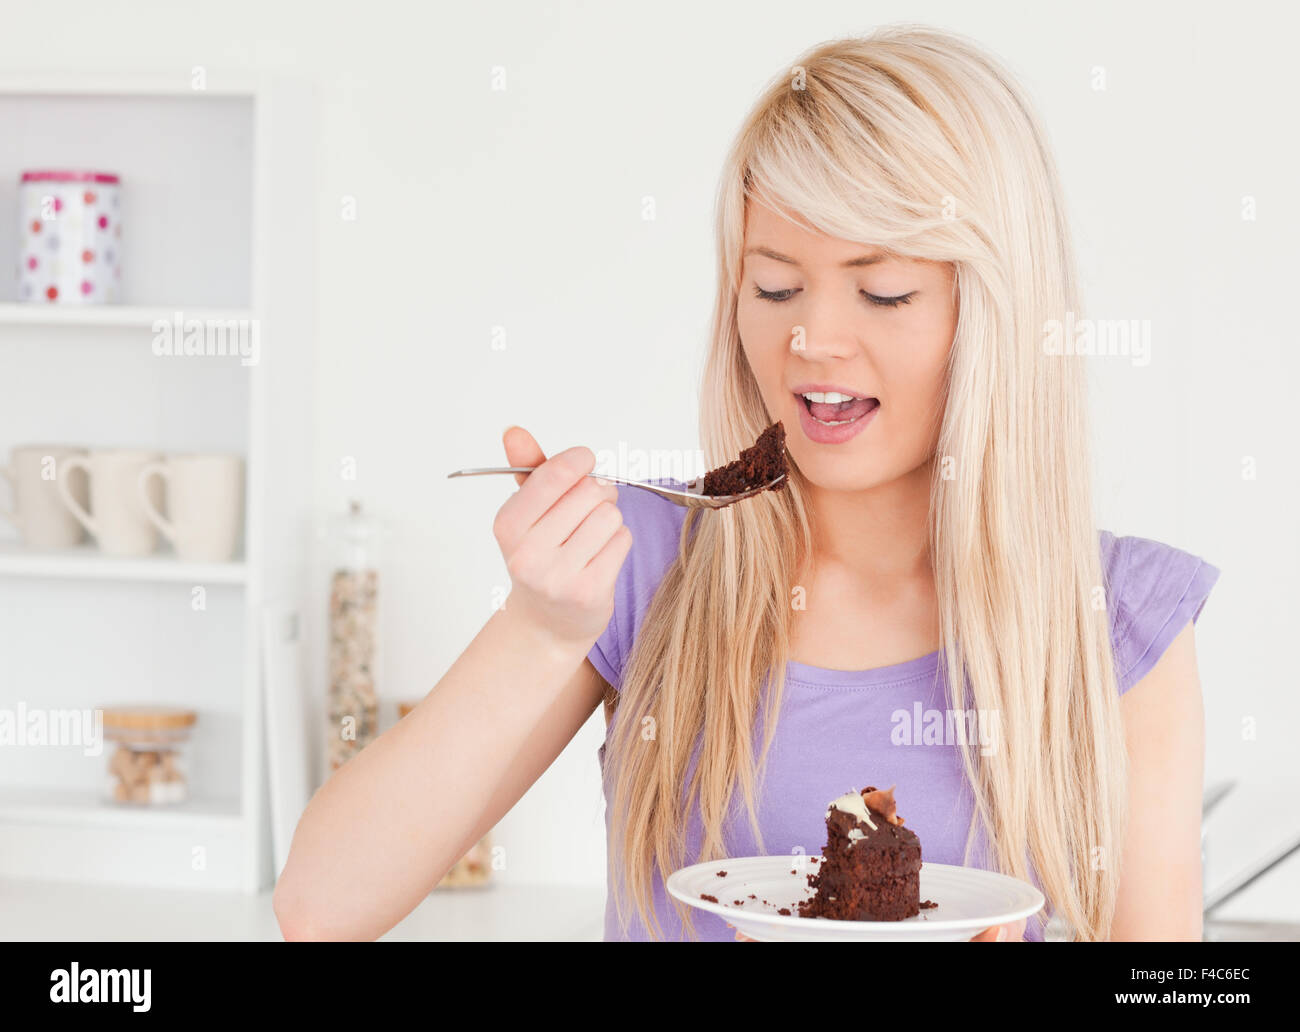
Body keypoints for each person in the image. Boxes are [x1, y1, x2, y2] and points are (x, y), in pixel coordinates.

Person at [274, 24, 1219, 942]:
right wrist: (540, 630)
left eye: (882, 290)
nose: (812, 340)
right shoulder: (644, 566)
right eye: (774, 289)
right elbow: (321, 907)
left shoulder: (1120, 622)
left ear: (993, 315)